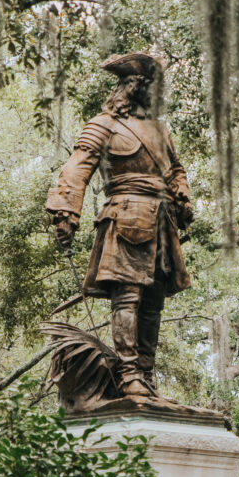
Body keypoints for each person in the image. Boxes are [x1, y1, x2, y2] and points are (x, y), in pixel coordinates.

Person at [45, 51, 193, 400]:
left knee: (153, 304)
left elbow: (175, 169)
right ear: (134, 86)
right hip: (125, 217)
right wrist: (66, 212)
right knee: (127, 298)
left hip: (162, 222)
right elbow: (77, 167)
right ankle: (128, 375)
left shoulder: (161, 130)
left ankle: (146, 375)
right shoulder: (104, 125)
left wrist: (182, 192)